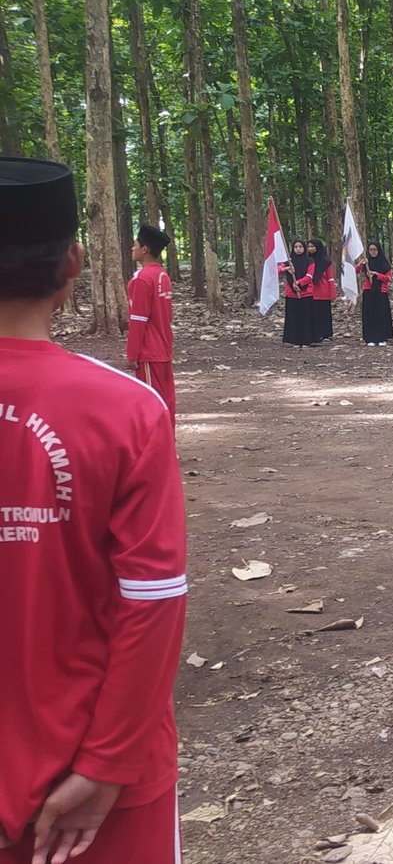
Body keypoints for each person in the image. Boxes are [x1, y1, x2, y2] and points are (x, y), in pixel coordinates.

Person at [0, 157, 187, 864]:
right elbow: (153, 598)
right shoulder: (128, 412)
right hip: (104, 782)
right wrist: (107, 763)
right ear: (73, 260)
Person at [126, 223, 176, 434]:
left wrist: (132, 354)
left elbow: (138, 319)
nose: (132, 248)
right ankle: (168, 442)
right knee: (166, 399)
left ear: (145, 249)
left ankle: (156, 447)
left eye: (135, 244)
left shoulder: (142, 278)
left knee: (150, 400)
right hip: (164, 349)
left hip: (148, 352)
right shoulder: (162, 276)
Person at [281, 240, 317, 347]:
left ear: (304, 248)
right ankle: (294, 340)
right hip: (291, 294)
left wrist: (299, 283)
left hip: (306, 293)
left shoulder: (310, 261)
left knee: (306, 317)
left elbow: (310, 275)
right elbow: (279, 269)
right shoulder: (288, 261)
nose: (298, 249)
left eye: (300, 246)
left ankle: (306, 340)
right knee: (293, 317)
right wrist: (286, 269)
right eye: (296, 247)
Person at [358, 241, 393, 346]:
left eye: (375, 250)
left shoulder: (384, 263)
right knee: (369, 314)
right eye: (371, 250)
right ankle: (370, 338)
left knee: (381, 314)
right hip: (368, 290)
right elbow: (356, 270)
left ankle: (381, 337)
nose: (373, 252)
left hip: (381, 291)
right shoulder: (366, 263)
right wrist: (361, 264)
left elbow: (388, 278)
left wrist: (377, 275)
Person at [308, 237, 336, 342]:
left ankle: (325, 334)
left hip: (323, 290)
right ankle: (314, 333)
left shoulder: (326, 261)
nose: (310, 249)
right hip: (310, 290)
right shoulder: (307, 260)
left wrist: (332, 293)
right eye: (309, 247)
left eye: (312, 246)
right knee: (312, 313)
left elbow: (331, 278)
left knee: (324, 313)